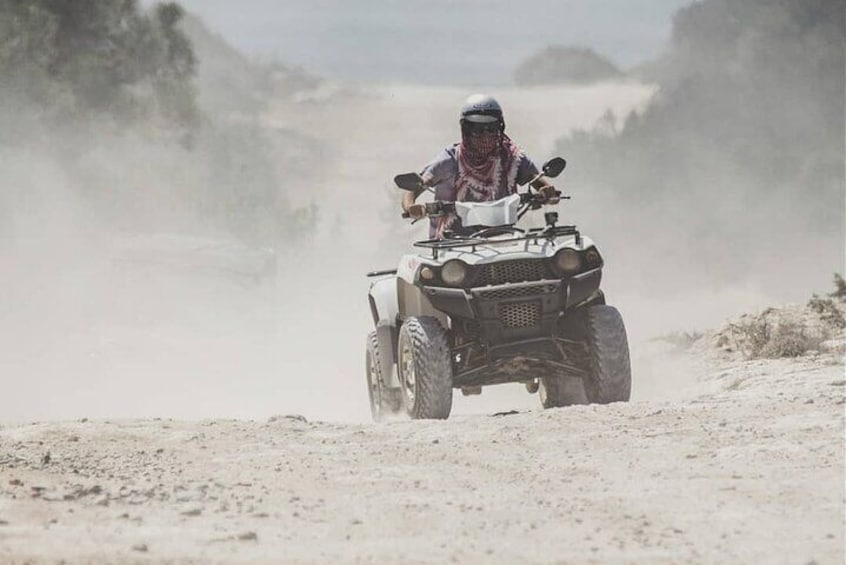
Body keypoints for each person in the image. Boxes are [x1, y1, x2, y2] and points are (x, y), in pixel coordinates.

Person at [402, 94, 557, 239]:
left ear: (500, 127)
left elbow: (536, 179)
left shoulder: (512, 158)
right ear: (465, 130)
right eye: (477, 129)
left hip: (504, 239)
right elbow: (414, 188)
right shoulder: (450, 160)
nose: (485, 135)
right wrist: (411, 207)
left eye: (491, 128)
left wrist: (547, 191)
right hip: (451, 243)